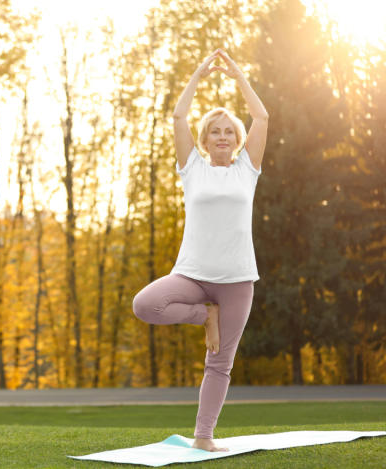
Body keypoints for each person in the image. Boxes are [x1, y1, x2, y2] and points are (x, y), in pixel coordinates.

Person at [131, 48, 268, 452]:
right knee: (145, 305)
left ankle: (203, 437)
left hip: (237, 281)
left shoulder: (248, 170)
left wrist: (239, 74)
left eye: (229, 131)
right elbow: (177, 117)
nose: (222, 137)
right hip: (192, 275)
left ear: (237, 139)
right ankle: (203, 315)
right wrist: (200, 73)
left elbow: (262, 117)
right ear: (205, 139)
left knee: (219, 364)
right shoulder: (192, 167)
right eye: (215, 131)